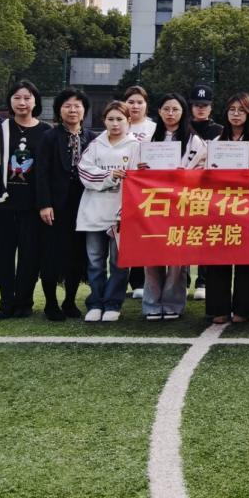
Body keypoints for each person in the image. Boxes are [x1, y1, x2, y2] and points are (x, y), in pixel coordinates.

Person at [0, 80, 50, 319]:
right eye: (17, 97)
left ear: (35, 101)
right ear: (10, 101)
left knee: (30, 256)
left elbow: (50, 171)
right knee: (1, 255)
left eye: (27, 98)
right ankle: (6, 300)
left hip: (33, 206)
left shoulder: (46, 131)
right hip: (4, 204)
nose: (22, 102)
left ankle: (24, 301)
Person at [203, 93, 249, 324]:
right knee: (218, 258)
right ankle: (218, 308)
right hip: (220, 208)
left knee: (247, 258)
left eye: (241, 110)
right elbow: (202, 172)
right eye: (232, 110)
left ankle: (244, 308)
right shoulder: (216, 142)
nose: (236, 114)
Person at [140, 93, 206, 321]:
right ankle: (151, 304)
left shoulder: (194, 141)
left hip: (181, 204)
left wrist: (186, 175)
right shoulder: (148, 139)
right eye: (166, 109)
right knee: (151, 255)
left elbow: (203, 170)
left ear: (183, 112)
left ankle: (173, 303)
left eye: (175, 109)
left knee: (178, 257)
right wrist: (141, 169)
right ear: (159, 111)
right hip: (153, 205)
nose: (170, 113)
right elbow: (135, 169)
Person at [75, 101, 140, 323]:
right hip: (94, 212)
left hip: (122, 214)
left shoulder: (137, 147)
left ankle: (113, 303)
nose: (115, 124)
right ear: (104, 121)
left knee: (119, 262)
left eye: (119, 119)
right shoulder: (95, 145)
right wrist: (110, 176)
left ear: (128, 121)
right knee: (95, 261)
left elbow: (140, 180)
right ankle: (96, 303)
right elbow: (84, 172)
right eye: (110, 119)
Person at [36, 88, 93, 321]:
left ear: (84, 111)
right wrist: (44, 204)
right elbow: (41, 173)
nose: (72, 110)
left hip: (83, 206)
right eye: (67, 106)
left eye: (77, 106)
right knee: (51, 254)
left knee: (77, 254)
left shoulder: (92, 138)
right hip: (55, 207)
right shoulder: (49, 137)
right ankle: (51, 304)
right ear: (59, 110)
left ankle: (70, 301)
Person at [187, 84, 222, 300]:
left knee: (207, 236)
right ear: (191, 106)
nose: (201, 109)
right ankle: (183, 280)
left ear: (211, 107)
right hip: (183, 191)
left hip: (210, 191)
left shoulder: (219, 131)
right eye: (197, 105)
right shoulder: (183, 129)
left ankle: (203, 280)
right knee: (183, 234)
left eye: (205, 105)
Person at [121, 84, 154, 298]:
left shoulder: (154, 128)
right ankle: (125, 281)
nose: (135, 106)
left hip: (147, 190)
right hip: (121, 189)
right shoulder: (118, 124)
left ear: (146, 105)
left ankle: (141, 281)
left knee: (144, 234)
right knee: (123, 236)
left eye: (139, 102)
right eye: (131, 102)